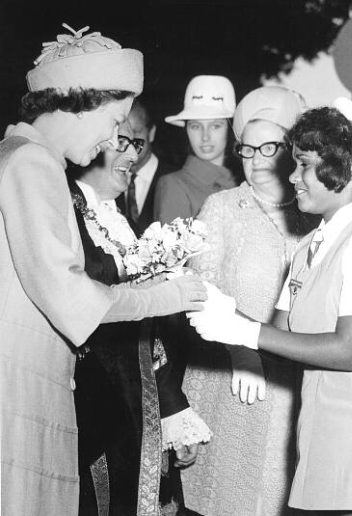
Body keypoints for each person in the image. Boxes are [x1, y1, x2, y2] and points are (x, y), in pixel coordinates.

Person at [0, 24, 206, 516]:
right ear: (79, 102)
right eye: (114, 119)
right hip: (19, 390)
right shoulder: (31, 163)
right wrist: (169, 295)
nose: (115, 139)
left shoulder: (17, 154)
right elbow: (72, 297)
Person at [190, 98, 352, 514]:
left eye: (304, 164)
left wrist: (243, 330)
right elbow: (281, 337)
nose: (292, 176)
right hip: (319, 425)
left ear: (350, 169)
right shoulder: (309, 244)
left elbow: (346, 350)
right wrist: (222, 312)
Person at [181, 85, 317, 516]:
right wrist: (242, 352)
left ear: (292, 149)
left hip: (295, 384)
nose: (257, 159)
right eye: (247, 149)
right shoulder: (222, 206)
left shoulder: (315, 209)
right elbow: (198, 288)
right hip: (232, 380)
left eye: (270, 147)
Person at [68, 125, 212, 515]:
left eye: (136, 143)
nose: (132, 153)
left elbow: (149, 335)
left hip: (134, 408)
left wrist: (172, 410)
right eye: (121, 142)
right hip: (91, 409)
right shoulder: (66, 213)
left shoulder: (121, 221)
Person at [153, 74, 239, 224]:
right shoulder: (174, 185)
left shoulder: (241, 182)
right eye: (195, 126)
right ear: (186, 130)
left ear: (229, 129)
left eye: (215, 126)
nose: (205, 136)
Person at [116, 97, 174, 235]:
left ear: (151, 133)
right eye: (122, 135)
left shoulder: (174, 178)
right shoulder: (107, 179)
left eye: (135, 132)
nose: (129, 142)